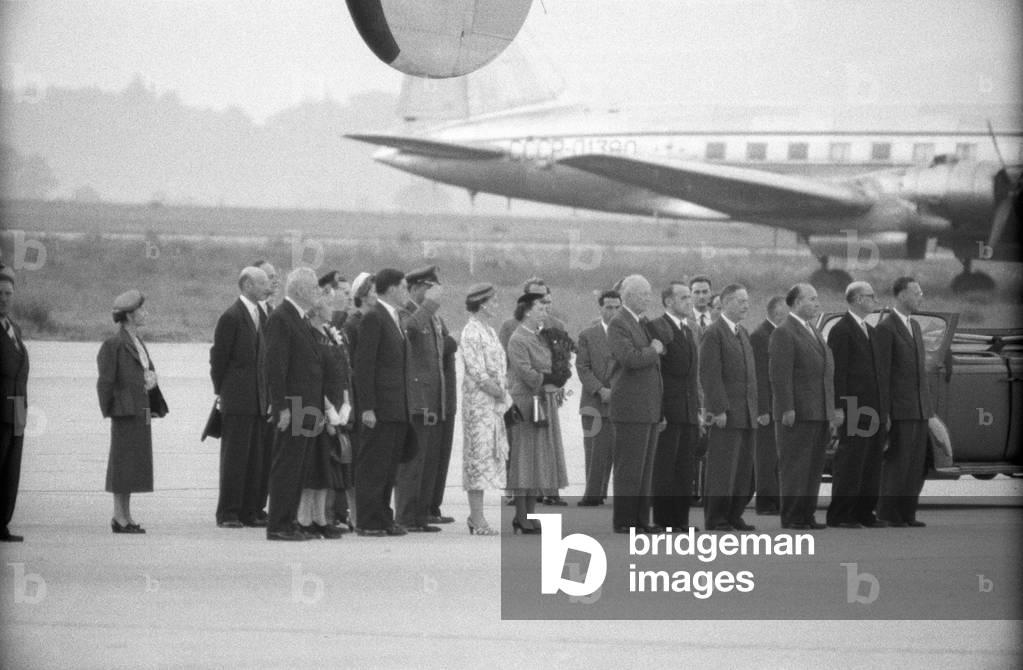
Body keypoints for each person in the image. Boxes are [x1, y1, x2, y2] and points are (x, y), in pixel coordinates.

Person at [264, 268, 331, 541]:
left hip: (307, 404)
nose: (318, 293)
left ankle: (289, 521)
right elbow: (275, 367)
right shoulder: (282, 318)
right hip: (293, 405)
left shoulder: (299, 318)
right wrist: (280, 407)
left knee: (299, 467)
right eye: (315, 288)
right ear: (302, 291)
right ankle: (278, 524)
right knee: (287, 466)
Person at [97, 289, 168, 534]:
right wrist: (113, 409)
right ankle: (119, 516)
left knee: (135, 463)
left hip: (143, 409)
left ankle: (126, 515)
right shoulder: (113, 344)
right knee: (122, 463)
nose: (144, 313)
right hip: (126, 412)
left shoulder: (138, 342)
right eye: (140, 310)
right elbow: (105, 381)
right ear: (128, 315)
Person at [769, 283, 840, 531]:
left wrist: (829, 412)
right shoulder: (784, 332)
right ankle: (792, 516)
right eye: (812, 299)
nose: (817, 303)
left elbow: (825, 375)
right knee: (795, 467)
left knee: (812, 468)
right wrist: (787, 408)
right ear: (797, 303)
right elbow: (780, 375)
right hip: (797, 413)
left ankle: (806, 514)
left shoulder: (813, 330)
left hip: (818, 412)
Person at [209, 266, 272, 529]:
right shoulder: (232, 317)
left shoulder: (261, 315)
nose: (267, 288)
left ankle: (250, 510)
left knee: (255, 458)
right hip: (237, 399)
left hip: (258, 400)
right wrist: (223, 392)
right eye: (262, 283)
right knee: (235, 458)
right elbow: (218, 358)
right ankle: (228, 512)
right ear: (247, 285)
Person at [699, 284, 764, 531]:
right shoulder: (714, 333)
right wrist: (719, 409)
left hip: (747, 413)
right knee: (723, 469)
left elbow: (750, 376)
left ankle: (734, 514)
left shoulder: (743, 332)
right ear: (725, 303)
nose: (746, 305)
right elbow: (710, 375)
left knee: (742, 470)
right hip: (727, 413)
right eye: (740, 301)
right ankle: (716, 517)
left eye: (747, 301)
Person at [354, 268, 413, 537]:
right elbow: (364, 366)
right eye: (403, 287)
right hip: (379, 408)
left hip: (396, 407)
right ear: (390, 289)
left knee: (388, 468)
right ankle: (368, 520)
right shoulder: (374, 318)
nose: (406, 292)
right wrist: (366, 406)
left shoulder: (394, 318)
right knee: (373, 466)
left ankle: (383, 517)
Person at [826, 281, 889, 528]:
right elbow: (837, 372)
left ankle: (864, 512)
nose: (875, 300)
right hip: (853, 406)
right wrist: (838, 407)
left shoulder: (870, 331)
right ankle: (841, 514)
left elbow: (879, 374)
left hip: (874, 409)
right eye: (871, 296)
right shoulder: (842, 330)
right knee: (851, 462)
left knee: (871, 463)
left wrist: (885, 410)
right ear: (858, 299)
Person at [506, 292, 568, 533]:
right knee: (524, 459)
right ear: (528, 310)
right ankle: (521, 516)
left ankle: (530, 514)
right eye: (540, 308)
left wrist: (558, 376)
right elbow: (526, 372)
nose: (544, 311)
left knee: (538, 459)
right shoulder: (518, 339)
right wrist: (548, 378)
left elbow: (551, 363)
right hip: (526, 403)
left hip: (543, 400)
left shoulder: (540, 337)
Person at [608, 275, 664, 533]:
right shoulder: (619, 322)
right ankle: (625, 520)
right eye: (643, 294)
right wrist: (653, 350)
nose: (649, 298)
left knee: (645, 470)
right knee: (629, 468)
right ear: (628, 296)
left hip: (648, 406)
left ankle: (641, 520)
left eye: (649, 293)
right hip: (631, 406)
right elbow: (629, 358)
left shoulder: (641, 322)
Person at [874, 277, 931, 528]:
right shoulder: (886, 328)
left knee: (916, 465)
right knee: (898, 464)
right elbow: (882, 374)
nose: (921, 297)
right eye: (917, 292)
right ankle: (888, 513)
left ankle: (907, 513)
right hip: (899, 409)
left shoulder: (915, 326)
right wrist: (884, 412)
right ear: (902, 295)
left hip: (919, 408)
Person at [395, 265, 448, 533]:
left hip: (432, 399)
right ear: (416, 288)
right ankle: (405, 515)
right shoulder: (406, 313)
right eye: (429, 288)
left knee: (426, 462)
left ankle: (419, 515)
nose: (432, 295)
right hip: (417, 399)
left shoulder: (433, 317)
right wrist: (428, 305)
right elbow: (410, 330)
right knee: (412, 462)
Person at [296, 288, 348, 540]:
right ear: (316, 309)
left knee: (324, 467)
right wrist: (327, 409)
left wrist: (345, 402)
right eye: (327, 304)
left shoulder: (328, 332)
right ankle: (304, 518)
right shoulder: (310, 335)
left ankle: (319, 517)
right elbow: (313, 374)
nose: (333, 307)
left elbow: (341, 370)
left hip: (333, 406)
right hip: (313, 407)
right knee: (310, 467)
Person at [650, 281, 701, 531]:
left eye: (689, 297)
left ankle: (681, 521)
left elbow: (693, 375)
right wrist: (659, 411)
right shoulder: (658, 327)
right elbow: (657, 372)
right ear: (668, 301)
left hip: (689, 408)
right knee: (665, 467)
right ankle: (663, 519)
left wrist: (698, 409)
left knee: (685, 469)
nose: (689, 301)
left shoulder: (688, 329)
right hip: (669, 409)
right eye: (683, 297)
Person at [460, 283, 510, 535]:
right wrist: (498, 391)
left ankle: (477, 515)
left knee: (488, 457)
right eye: (494, 300)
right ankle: (477, 518)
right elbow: (477, 370)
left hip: (492, 406)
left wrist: (502, 391)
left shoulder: (488, 330)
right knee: (476, 459)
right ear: (483, 303)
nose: (497, 305)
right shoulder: (471, 332)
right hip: (478, 404)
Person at [574, 289, 620, 507]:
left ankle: (609, 492)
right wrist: (600, 389)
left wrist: (618, 391)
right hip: (593, 404)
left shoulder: (627, 334)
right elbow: (582, 367)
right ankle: (593, 493)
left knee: (615, 450)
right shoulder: (588, 335)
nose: (613, 312)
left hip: (620, 402)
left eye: (616, 307)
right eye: (608, 307)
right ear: (600, 309)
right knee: (594, 450)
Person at [749, 295, 788, 515]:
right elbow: (759, 376)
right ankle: (766, 502)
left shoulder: (780, 334)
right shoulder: (760, 336)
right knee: (766, 457)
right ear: (776, 312)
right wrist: (762, 408)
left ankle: (778, 499)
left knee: (778, 456)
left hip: (780, 406)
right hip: (767, 408)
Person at [0, 271, 29, 542]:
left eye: (8, 294)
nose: (4, 299)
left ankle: (2, 523)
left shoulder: (14, 328)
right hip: (1, 411)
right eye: (0, 294)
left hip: (18, 409)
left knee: (11, 470)